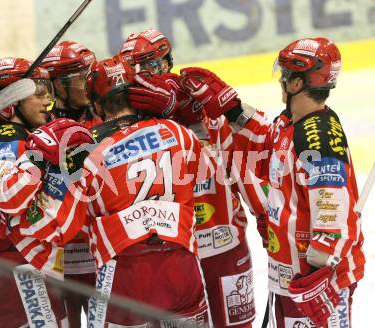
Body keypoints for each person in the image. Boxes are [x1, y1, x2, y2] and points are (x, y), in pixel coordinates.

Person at [180, 37, 365, 327]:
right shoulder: (292, 123)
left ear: (296, 83)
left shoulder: (319, 138)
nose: (281, 80)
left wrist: (318, 274)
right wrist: (232, 109)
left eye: (285, 75)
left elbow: (334, 215)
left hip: (314, 283)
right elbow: (268, 143)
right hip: (291, 277)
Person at [22, 55, 214, 326]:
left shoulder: (85, 152)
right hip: (182, 267)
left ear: (96, 104)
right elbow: (206, 174)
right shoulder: (178, 132)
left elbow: (58, 226)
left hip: (122, 275)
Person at [120, 28, 265, 327]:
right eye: (140, 69)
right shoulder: (128, 129)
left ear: (168, 60)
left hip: (222, 242)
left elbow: (244, 162)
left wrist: (265, 216)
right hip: (170, 257)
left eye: (154, 65)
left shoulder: (203, 103)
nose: (149, 75)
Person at [0, 57, 75, 328]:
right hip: (17, 269)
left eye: (49, 92)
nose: (48, 101)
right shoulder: (8, 135)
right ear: (11, 102)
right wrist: (41, 156)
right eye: (38, 93)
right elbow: (10, 194)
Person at [41, 40, 100, 327]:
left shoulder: (107, 116)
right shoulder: (37, 126)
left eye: (90, 76)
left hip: (101, 255)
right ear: (58, 87)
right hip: (57, 261)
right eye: (80, 79)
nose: (88, 85)